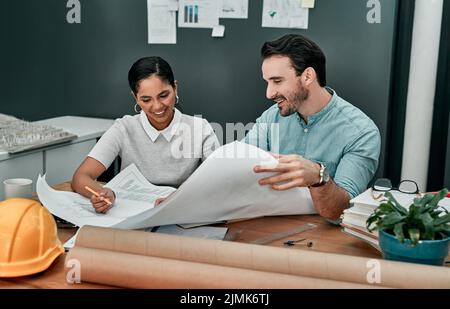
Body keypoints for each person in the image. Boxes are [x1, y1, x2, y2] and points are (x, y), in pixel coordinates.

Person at [244, 34, 381, 221]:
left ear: (308, 76)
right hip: (270, 224)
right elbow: (242, 167)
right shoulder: (271, 117)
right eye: (267, 82)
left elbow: (342, 211)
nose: (269, 93)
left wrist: (319, 177)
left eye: (277, 81)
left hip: (325, 236)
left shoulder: (361, 132)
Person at [72, 56, 219, 213]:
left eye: (164, 95)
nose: (157, 106)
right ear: (135, 98)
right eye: (146, 99)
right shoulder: (124, 128)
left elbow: (219, 178)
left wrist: (181, 197)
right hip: (132, 215)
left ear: (175, 88)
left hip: (183, 211)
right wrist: (103, 193)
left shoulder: (200, 128)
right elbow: (80, 177)